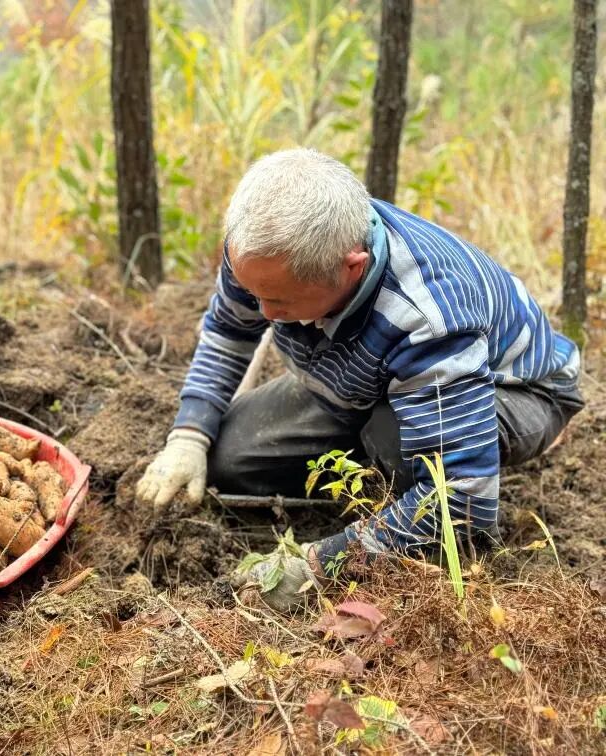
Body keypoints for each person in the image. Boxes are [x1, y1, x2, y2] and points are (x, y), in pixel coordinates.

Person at [136, 148, 584, 610]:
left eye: (281, 302)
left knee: (395, 441)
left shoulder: (427, 314)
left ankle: (398, 505)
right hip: (359, 378)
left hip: (521, 389)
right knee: (229, 458)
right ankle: (379, 465)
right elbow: (229, 332)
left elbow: (461, 498)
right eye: (256, 294)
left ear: (352, 266)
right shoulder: (259, 255)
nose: (265, 314)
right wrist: (188, 435)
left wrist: (320, 564)